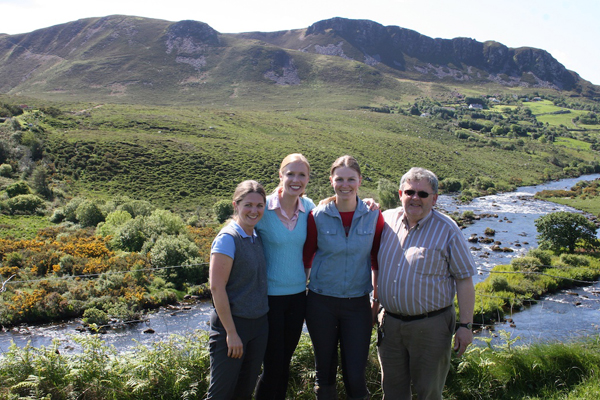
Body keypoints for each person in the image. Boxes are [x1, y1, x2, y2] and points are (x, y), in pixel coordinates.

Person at [376, 167, 477, 400]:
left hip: (431, 326)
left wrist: (465, 326)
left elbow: (464, 279)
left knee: (429, 393)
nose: (415, 198)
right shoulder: (384, 220)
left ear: (435, 199)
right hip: (390, 325)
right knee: (392, 392)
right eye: (410, 191)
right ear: (400, 193)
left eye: (423, 194)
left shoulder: (448, 229)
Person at [303, 155, 384, 400]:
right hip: (320, 303)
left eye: (351, 179)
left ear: (359, 181)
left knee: (355, 373)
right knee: (324, 372)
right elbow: (307, 259)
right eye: (339, 179)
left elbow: (376, 261)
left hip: (358, 304)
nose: (345, 184)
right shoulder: (317, 216)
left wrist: (375, 302)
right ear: (331, 181)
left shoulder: (373, 215)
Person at [254, 154, 315, 400]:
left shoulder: (310, 208)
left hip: (298, 297)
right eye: (290, 174)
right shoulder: (263, 208)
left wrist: (367, 202)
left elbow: (341, 207)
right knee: (273, 364)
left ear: (308, 179)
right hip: (269, 299)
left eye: (302, 175)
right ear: (280, 176)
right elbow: (238, 232)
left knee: (285, 362)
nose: (296, 180)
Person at [206, 180, 269, 399]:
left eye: (259, 206)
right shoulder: (228, 238)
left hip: (258, 325)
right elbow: (216, 287)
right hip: (233, 327)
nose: (254, 210)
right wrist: (231, 333)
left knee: (244, 392)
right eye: (248, 205)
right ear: (236, 205)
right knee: (221, 393)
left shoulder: (255, 236)